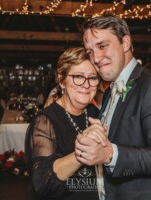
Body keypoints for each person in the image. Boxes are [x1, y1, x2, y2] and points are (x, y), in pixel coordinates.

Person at [75, 13, 151, 200]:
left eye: (102, 46)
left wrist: (109, 154)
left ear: (125, 43)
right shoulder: (110, 91)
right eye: (90, 52)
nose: (96, 58)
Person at [25, 47, 101, 200]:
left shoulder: (94, 112)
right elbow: (42, 184)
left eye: (93, 77)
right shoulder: (45, 121)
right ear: (61, 80)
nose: (86, 85)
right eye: (78, 76)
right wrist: (82, 152)